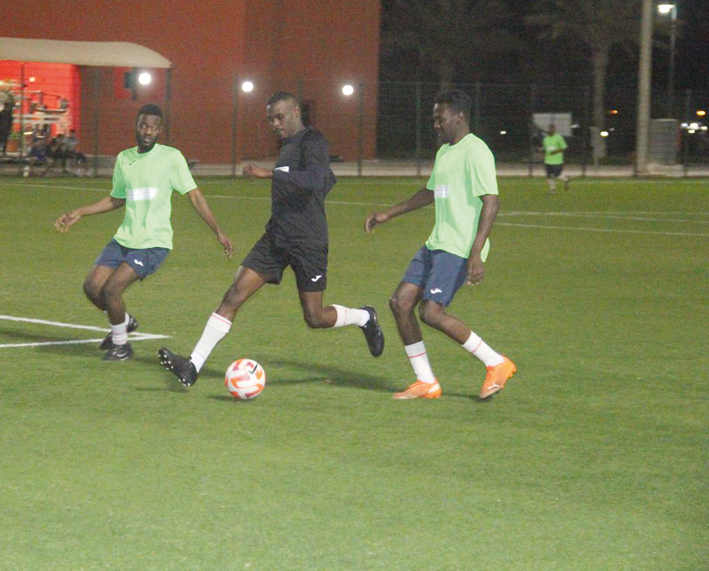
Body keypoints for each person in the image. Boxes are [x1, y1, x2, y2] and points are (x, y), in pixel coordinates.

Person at [158, 91, 383, 387]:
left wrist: (270, 175)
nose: (273, 124)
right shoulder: (288, 147)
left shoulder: (313, 140)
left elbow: (317, 179)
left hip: (308, 242)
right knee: (234, 294)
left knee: (314, 317)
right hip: (275, 238)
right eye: (269, 119)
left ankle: (364, 317)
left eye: (278, 117)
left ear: (295, 111)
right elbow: (325, 181)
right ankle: (192, 366)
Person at [365, 90, 515, 400]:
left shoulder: (476, 151)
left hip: (460, 247)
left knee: (431, 312)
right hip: (437, 243)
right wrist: (388, 213)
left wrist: (476, 252)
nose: (435, 124)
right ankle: (426, 382)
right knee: (400, 303)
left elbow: (492, 202)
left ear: (459, 117)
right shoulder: (445, 152)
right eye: (434, 118)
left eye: (440, 118)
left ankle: (496, 363)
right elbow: (430, 192)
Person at [55, 104, 233, 361]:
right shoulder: (124, 159)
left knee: (111, 290)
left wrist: (217, 230)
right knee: (92, 287)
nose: (148, 131)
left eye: (153, 127)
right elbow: (116, 199)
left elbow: (194, 195)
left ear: (160, 129)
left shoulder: (171, 157)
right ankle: (124, 322)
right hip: (124, 239)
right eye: (143, 125)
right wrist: (80, 212)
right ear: (136, 126)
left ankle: (121, 345)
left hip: (153, 243)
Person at [541, 123, 570, 192]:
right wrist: (541, 150)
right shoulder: (546, 139)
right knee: (548, 177)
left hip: (557, 161)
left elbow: (564, 148)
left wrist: (555, 152)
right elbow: (546, 149)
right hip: (548, 160)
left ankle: (566, 180)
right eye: (549, 129)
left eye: (552, 129)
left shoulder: (558, 138)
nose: (550, 130)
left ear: (554, 130)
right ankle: (553, 190)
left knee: (557, 175)